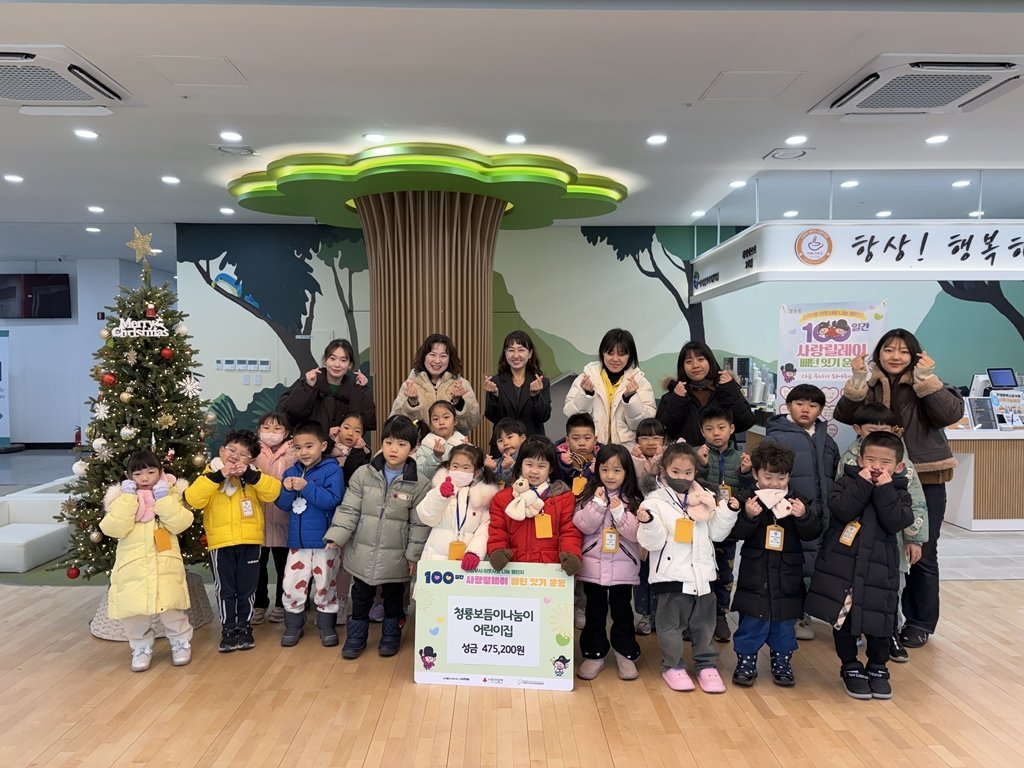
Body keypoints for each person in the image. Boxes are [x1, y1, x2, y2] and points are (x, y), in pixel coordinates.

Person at [833, 329, 963, 649]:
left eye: (904, 351)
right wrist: (858, 380)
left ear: (915, 356)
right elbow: (844, 415)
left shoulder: (928, 381)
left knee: (922, 550)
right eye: (889, 350)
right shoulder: (870, 384)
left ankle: (919, 622)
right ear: (878, 354)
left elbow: (950, 414)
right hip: (876, 475)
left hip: (925, 476)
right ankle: (880, 621)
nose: (895, 356)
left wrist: (926, 380)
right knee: (877, 551)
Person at [805, 431, 913, 700]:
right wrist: (863, 485)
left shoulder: (900, 491)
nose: (877, 467)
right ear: (860, 460)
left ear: (899, 466)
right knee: (843, 619)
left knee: (880, 620)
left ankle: (878, 666)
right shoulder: (846, 482)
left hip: (880, 570)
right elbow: (842, 510)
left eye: (885, 463)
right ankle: (850, 665)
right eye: (871, 460)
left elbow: (896, 521)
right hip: (844, 568)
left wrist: (885, 489)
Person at [636, 442, 739, 693]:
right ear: (664, 470)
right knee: (671, 626)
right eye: (676, 472)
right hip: (671, 576)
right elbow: (652, 543)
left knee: (704, 625)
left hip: (703, 575)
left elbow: (716, 533)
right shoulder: (654, 501)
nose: (682, 477)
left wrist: (728, 511)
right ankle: (672, 666)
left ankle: (706, 665)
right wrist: (648, 523)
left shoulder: (705, 498)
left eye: (688, 472)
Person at [325, 415, 431, 659]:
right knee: (361, 596)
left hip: (396, 555)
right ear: (381, 443)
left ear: (412, 448)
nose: (394, 449)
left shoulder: (420, 483)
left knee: (393, 598)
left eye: (401, 444)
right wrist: (337, 535)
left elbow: (419, 524)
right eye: (389, 442)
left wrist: (413, 555)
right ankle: (356, 637)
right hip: (363, 551)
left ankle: (391, 636)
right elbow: (349, 508)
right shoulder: (363, 474)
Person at [839, 402, 929, 663]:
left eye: (885, 429)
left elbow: (917, 502)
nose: (879, 433)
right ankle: (853, 629)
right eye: (872, 429)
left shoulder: (902, 463)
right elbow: (840, 500)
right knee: (852, 586)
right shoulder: (850, 459)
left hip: (892, 541)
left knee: (892, 589)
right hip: (856, 539)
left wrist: (914, 538)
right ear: (858, 430)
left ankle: (891, 632)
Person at [729, 442, 820, 687]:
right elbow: (735, 533)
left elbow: (812, 533)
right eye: (768, 477)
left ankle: (782, 662)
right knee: (752, 620)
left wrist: (803, 516)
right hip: (755, 572)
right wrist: (749, 516)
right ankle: (746, 662)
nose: (775, 484)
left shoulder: (798, 499)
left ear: (789, 476)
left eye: (781, 478)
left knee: (784, 623)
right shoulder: (747, 498)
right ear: (755, 473)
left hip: (788, 573)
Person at [184, 430, 282, 653]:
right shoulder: (209, 475)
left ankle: (244, 627)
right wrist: (219, 476)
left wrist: (251, 476)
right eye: (232, 450)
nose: (236, 456)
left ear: (251, 460)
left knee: (247, 588)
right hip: (221, 544)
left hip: (250, 541)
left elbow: (273, 492)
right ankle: (228, 629)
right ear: (221, 451)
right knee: (225, 589)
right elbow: (193, 499)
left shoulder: (254, 476)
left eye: (243, 454)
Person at [100, 451, 194, 672]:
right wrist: (128, 499)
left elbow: (181, 523)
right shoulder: (120, 498)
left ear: (160, 472)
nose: (145, 478)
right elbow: (113, 528)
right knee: (134, 610)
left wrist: (163, 500)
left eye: (151, 472)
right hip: (132, 564)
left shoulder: (171, 493)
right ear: (129, 476)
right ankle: (140, 647)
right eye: (138, 474)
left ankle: (180, 642)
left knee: (171, 605)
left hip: (165, 563)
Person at [764, 382, 840, 641]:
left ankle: (820, 614)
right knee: (792, 566)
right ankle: (797, 616)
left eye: (813, 405)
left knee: (819, 566)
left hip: (821, 514)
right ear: (788, 406)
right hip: (789, 514)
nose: (806, 409)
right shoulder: (776, 437)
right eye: (799, 404)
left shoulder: (827, 440)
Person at [572, 445, 644, 681]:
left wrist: (620, 512)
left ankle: (625, 654)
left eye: (617, 470)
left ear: (627, 472)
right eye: (605, 469)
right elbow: (582, 525)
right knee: (595, 613)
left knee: (623, 613)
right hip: (592, 568)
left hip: (623, 569)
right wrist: (597, 505)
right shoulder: (587, 495)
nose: (610, 475)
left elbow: (636, 534)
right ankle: (594, 655)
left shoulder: (634, 499)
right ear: (597, 470)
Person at [276, 421, 344, 648]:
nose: (303, 452)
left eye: (309, 446)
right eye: (298, 447)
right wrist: (287, 490)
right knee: (292, 582)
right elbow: (283, 505)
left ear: (323, 446)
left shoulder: (332, 469)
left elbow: (333, 500)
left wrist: (306, 487)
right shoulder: (290, 472)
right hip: (298, 543)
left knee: (326, 582)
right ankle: (293, 624)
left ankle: (326, 624)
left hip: (326, 542)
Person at [695, 404, 754, 643]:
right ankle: (698, 618)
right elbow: (690, 485)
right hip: (701, 526)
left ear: (731, 429)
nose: (716, 433)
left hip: (728, 527)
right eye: (709, 429)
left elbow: (750, 490)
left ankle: (720, 615)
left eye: (721, 427)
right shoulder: (696, 454)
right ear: (702, 432)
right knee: (699, 572)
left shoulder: (742, 458)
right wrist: (701, 466)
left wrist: (746, 473)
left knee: (725, 574)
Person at [487, 438, 581, 573]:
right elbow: (498, 529)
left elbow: (569, 531)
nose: (534, 471)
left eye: (541, 466)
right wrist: (497, 550)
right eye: (529, 464)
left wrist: (570, 554)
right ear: (520, 465)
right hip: (513, 568)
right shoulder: (503, 498)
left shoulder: (564, 498)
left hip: (550, 569)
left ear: (550, 468)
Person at [563, 328, 656, 446]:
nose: (615, 359)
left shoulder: (640, 382)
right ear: (602, 353)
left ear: (630, 355)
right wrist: (586, 394)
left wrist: (631, 398)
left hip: (626, 451)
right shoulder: (587, 377)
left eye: (621, 354)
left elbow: (643, 425)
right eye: (610, 353)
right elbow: (570, 415)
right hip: (592, 449)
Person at [655, 341, 755, 445]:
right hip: (685, 454)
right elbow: (661, 432)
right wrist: (677, 400)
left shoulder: (726, 389)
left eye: (700, 359)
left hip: (723, 454)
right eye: (689, 361)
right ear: (682, 366)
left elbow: (746, 423)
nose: (695, 365)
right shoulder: (672, 396)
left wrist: (731, 390)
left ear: (710, 361)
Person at [416, 445, 499, 571]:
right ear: (448, 467)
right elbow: (427, 517)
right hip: (435, 562)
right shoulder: (440, 489)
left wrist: (474, 552)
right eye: (455, 466)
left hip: (466, 564)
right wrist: (440, 496)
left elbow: (485, 528)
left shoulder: (483, 498)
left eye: (466, 468)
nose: (459, 471)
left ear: (476, 472)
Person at [278, 338, 376, 435]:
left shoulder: (355, 388)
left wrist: (362, 390)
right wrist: (308, 387)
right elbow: (292, 412)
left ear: (350, 365)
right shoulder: (308, 382)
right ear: (325, 361)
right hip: (310, 442)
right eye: (332, 359)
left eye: (343, 360)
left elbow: (366, 422)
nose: (337, 364)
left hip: (342, 444)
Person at [390, 333, 480, 434]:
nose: (437, 361)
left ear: (450, 359)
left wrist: (458, 403)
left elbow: (472, 424)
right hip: (420, 443)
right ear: (424, 356)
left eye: (443, 356)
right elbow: (396, 424)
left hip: (451, 443)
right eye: (432, 355)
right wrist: (412, 404)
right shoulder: (410, 384)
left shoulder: (461, 385)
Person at [253, 411, 293, 625]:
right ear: (259, 430)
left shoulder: (293, 452)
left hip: (283, 519)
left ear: (286, 433)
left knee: (284, 565)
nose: (271, 432)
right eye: (266, 428)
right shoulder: (252, 451)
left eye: (277, 428)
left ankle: (281, 603)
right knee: (257, 567)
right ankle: (259, 604)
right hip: (257, 520)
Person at [484, 330, 552, 452]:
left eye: (521, 350)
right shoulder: (495, 381)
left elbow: (544, 417)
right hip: (503, 446)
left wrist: (536, 396)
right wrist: (494, 396)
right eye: (511, 350)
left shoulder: (541, 382)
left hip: (533, 446)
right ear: (505, 353)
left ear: (530, 353)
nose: (516, 355)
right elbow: (492, 416)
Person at [415, 400, 467, 479]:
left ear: (455, 421)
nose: (441, 422)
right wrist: (436, 457)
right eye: (436, 419)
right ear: (430, 424)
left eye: (446, 417)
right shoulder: (425, 447)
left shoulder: (463, 444)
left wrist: (466, 453)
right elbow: (421, 474)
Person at [555, 413, 601, 496]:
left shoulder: (603, 457)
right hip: (566, 499)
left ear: (595, 440)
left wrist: (597, 471)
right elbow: (555, 481)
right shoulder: (557, 456)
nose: (582, 443)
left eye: (587, 438)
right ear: (567, 441)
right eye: (576, 438)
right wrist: (563, 465)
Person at [329, 412, 371, 486]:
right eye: (346, 428)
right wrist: (329, 439)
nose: (350, 433)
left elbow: (351, 475)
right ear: (338, 427)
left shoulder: (363, 453)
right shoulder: (326, 445)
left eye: (357, 431)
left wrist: (357, 451)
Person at [484, 417, 528, 487]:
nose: (505, 443)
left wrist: (511, 467)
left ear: (522, 438)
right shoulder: (496, 463)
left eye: (509, 437)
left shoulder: (528, 460)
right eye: (500, 440)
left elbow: (524, 484)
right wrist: (490, 470)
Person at [630, 417, 667, 482]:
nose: (650, 443)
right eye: (645, 438)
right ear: (637, 441)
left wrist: (659, 457)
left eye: (656, 438)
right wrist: (637, 459)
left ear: (664, 441)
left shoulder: (670, 456)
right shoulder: (632, 458)